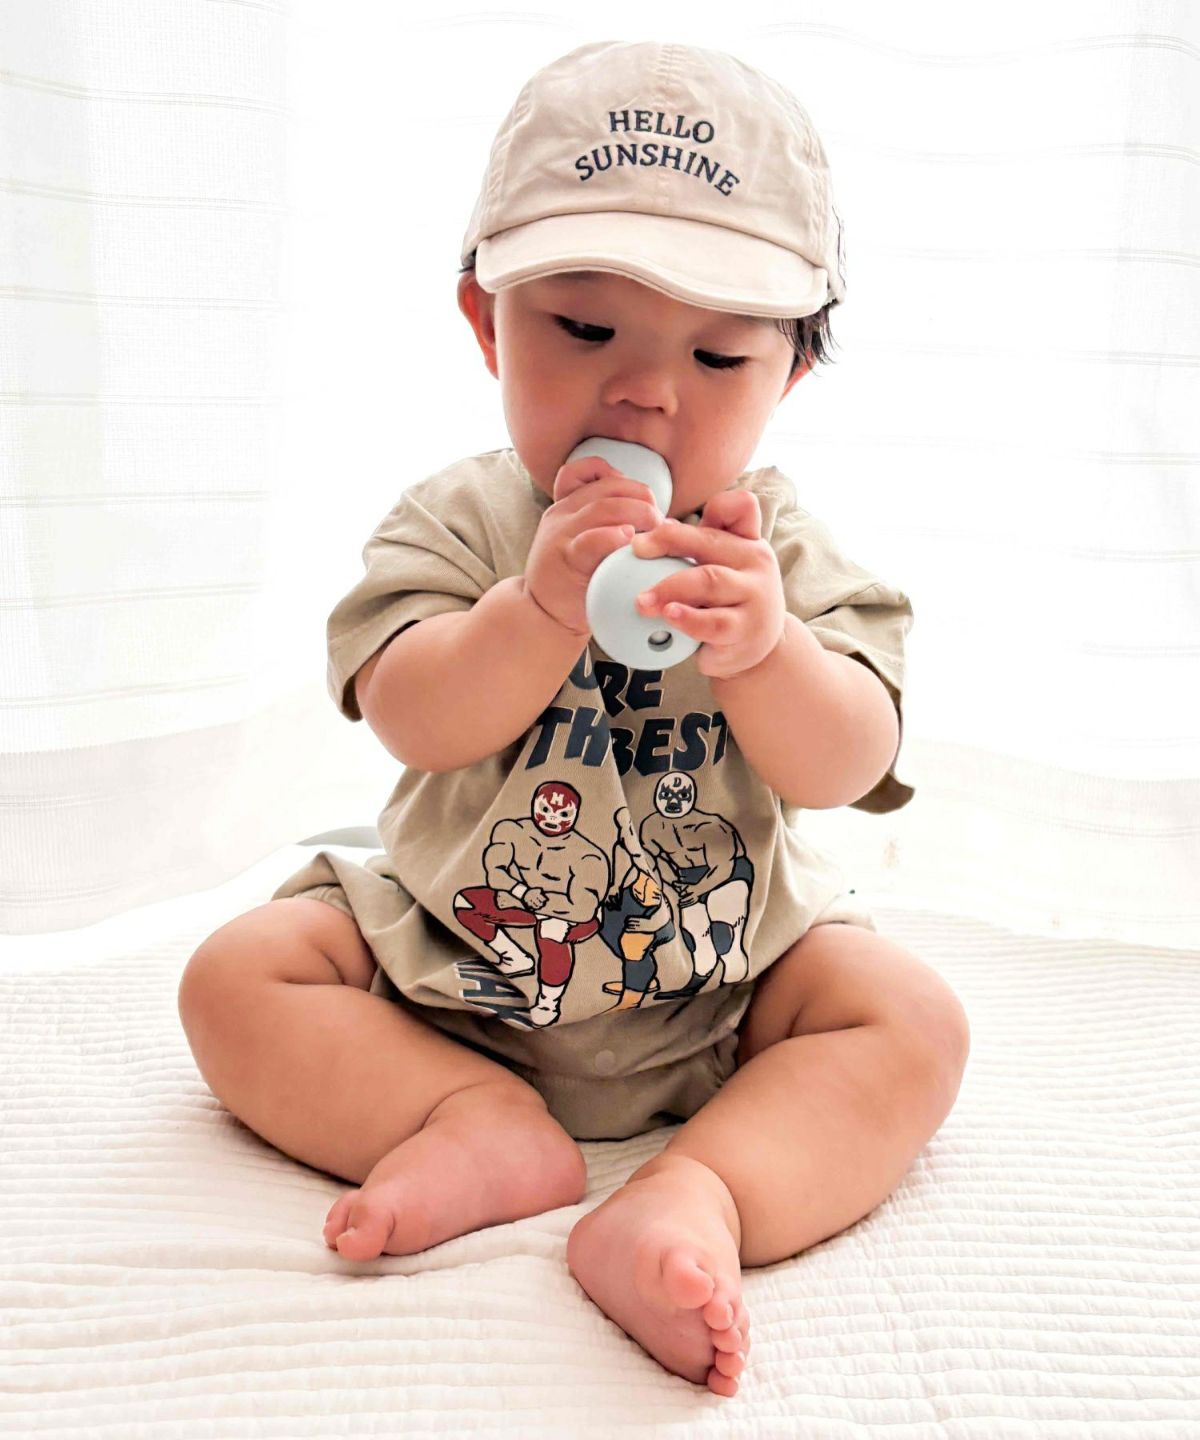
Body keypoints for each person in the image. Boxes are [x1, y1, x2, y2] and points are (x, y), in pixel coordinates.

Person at [176, 40, 970, 1399]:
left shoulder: (775, 552)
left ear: (791, 371)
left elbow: (850, 759)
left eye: (717, 352)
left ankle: (700, 1192)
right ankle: (471, 1117)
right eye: (587, 331)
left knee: (914, 1020)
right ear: (488, 323)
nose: (647, 391)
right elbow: (413, 716)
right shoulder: (462, 522)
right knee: (235, 975)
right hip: (455, 968)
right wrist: (534, 611)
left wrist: (769, 653)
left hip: (720, 979)